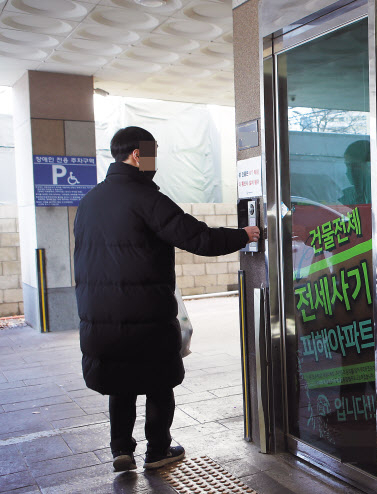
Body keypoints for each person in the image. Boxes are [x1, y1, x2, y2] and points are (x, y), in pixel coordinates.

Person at [73, 126, 259, 473]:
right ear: (137, 155)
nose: (156, 159)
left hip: (100, 315)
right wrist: (243, 235)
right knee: (158, 380)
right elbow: (197, 238)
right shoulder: (146, 198)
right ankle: (158, 449)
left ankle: (121, 451)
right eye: (153, 151)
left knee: (121, 383)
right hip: (145, 314)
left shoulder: (90, 201)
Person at [338, 140, 371, 205]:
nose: (351, 171)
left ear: (369, 165)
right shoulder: (346, 195)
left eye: (355, 166)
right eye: (348, 166)